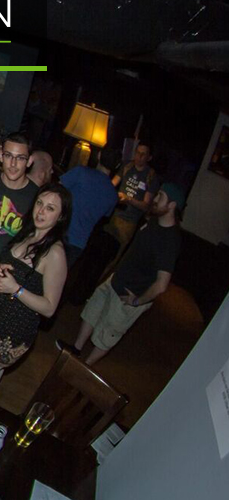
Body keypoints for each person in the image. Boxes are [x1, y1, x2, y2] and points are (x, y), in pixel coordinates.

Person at [0, 184, 70, 398]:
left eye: (50, 208)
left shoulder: (55, 253)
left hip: (10, 333)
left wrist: (15, 289)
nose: (41, 211)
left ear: (60, 217)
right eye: (39, 203)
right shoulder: (27, 234)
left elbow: (49, 308)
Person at [75, 183, 184, 365]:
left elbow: (161, 284)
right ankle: (76, 349)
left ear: (172, 205)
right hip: (116, 280)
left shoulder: (170, 240)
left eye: (161, 197)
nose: (155, 199)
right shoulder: (155, 220)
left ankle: (84, 366)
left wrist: (137, 301)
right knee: (92, 311)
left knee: (109, 333)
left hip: (130, 294)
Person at [59, 149, 119, 266]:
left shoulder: (81, 172)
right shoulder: (113, 195)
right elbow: (104, 217)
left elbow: (55, 191)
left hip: (58, 231)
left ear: (99, 155)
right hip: (78, 242)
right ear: (117, 165)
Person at [106, 142, 160, 256]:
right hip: (114, 214)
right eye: (137, 152)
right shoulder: (127, 166)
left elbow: (145, 205)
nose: (139, 156)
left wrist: (129, 199)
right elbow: (112, 184)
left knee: (115, 253)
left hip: (129, 221)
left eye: (143, 154)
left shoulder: (151, 176)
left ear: (149, 157)